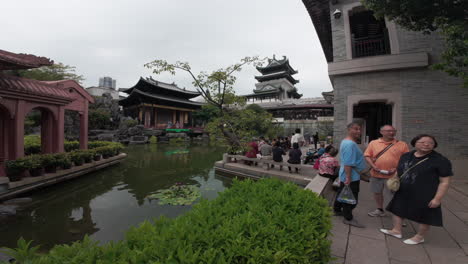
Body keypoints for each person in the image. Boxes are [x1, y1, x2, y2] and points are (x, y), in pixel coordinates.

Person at [380, 134, 452, 245]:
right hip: (403, 190)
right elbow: (399, 170)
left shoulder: (440, 160)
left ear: (434, 145)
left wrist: (437, 198)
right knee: (397, 209)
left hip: (426, 193)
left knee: (426, 215)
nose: (426, 144)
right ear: (415, 143)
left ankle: (419, 237)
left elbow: (445, 181)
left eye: (430, 143)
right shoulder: (406, 156)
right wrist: (394, 181)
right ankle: (396, 230)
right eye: (422, 142)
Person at [364, 125, 409, 217]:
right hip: (376, 174)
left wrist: (397, 168)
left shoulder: (402, 144)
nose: (391, 133)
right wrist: (373, 166)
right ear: (381, 132)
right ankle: (379, 209)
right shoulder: (373, 143)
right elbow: (367, 155)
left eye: (393, 131)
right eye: (388, 131)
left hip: (393, 176)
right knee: (377, 192)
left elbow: (406, 159)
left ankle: (397, 215)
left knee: (394, 195)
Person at [333, 122, 366, 228]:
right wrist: (348, 177)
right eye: (355, 129)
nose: (358, 131)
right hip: (351, 175)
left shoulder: (346, 141)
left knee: (342, 192)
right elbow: (348, 162)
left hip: (347, 173)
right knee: (351, 198)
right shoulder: (350, 144)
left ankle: (337, 209)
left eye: (359, 129)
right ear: (349, 129)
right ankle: (348, 218)